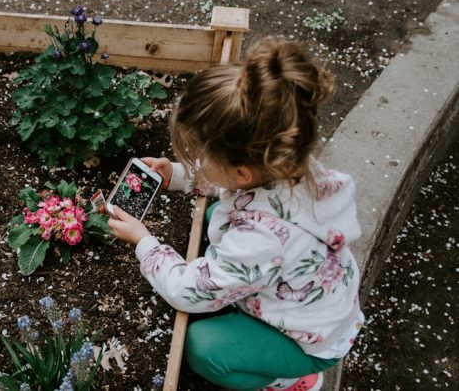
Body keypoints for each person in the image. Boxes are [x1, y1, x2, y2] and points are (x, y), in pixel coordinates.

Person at [108, 37, 364, 391]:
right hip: (317, 302)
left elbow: (187, 291)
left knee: (204, 348)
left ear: (242, 173)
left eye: (200, 155)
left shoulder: (261, 237)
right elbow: (228, 185)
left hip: (307, 340)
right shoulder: (288, 166)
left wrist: (144, 242)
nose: (195, 161)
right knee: (217, 211)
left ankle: (293, 380)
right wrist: (177, 176)